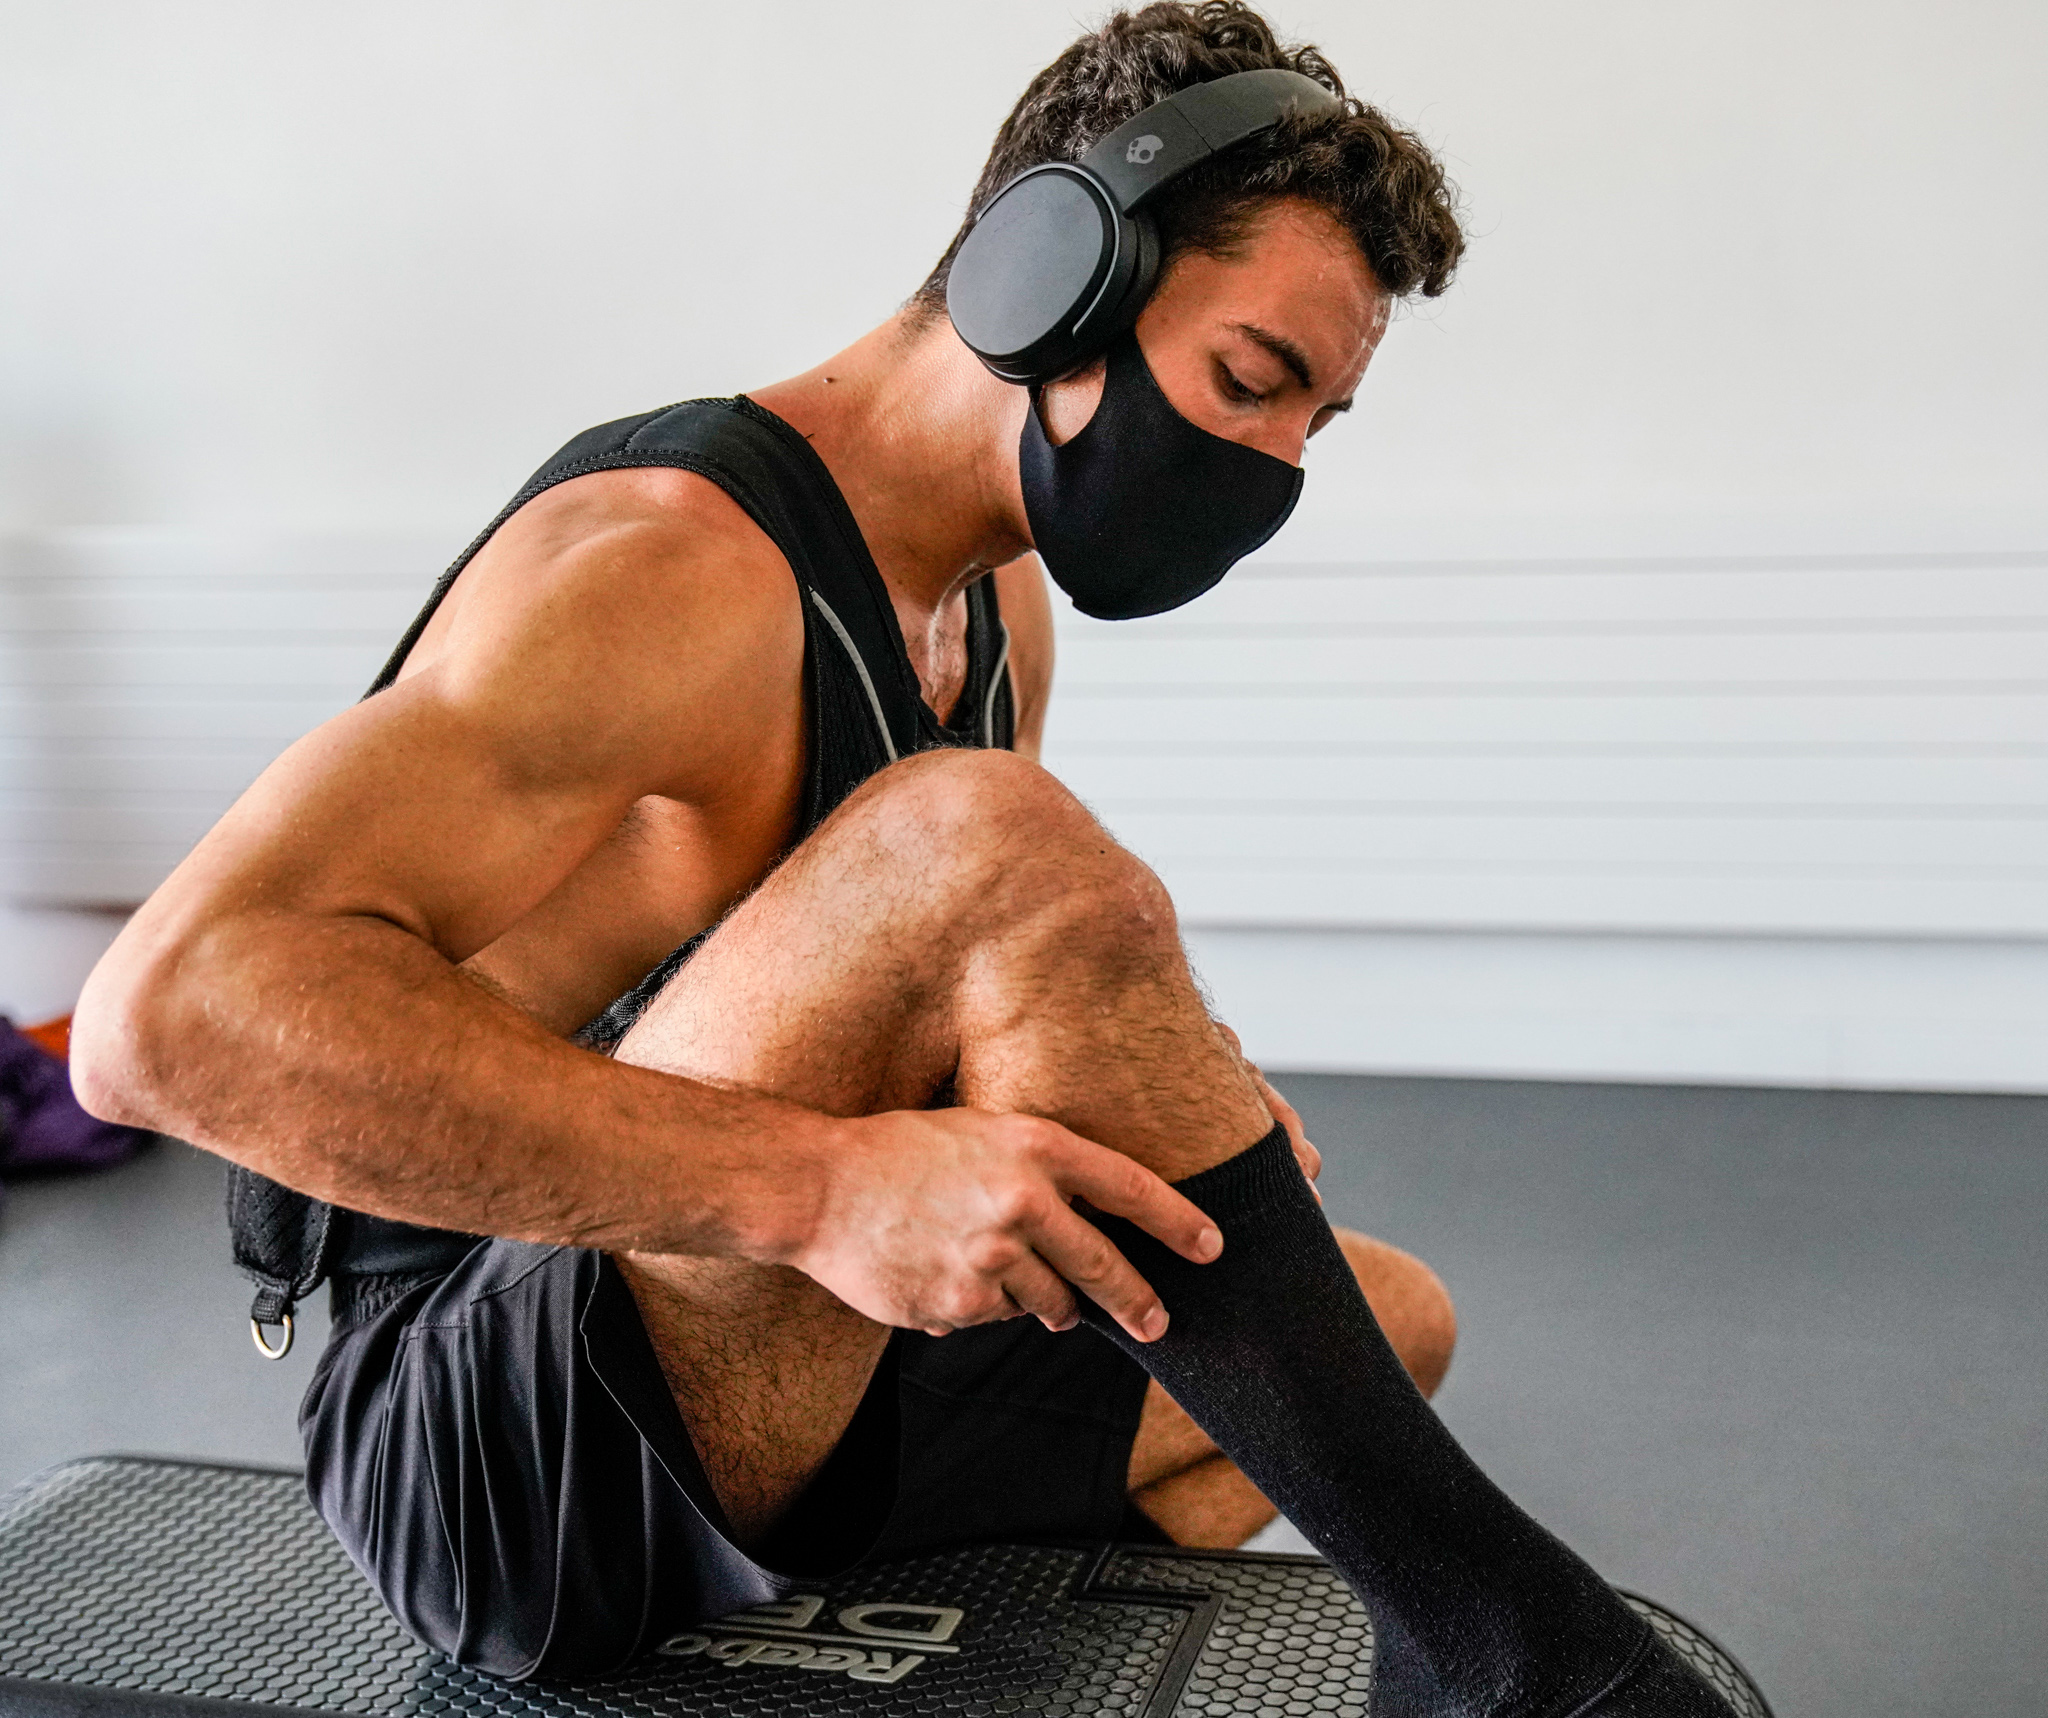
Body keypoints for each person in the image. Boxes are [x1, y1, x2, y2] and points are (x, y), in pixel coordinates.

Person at [76, 7, 1739, 1713]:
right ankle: (1516, 1651)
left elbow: (949, 991)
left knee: (1362, 1332)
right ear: (1049, 273)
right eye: (1253, 378)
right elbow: (165, 1020)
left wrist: (1174, 1112)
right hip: (485, 1442)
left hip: (765, 1366)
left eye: (1319, 419)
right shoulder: (664, 567)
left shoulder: (999, 602)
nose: (1278, 462)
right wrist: (830, 1187)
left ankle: (913, 1655)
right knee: (984, 837)